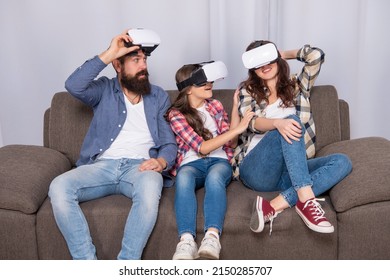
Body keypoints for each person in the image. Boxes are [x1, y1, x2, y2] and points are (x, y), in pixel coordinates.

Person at [48, 29, 177, 259]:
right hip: (101, 166)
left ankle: (126, 265)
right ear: (118, 66)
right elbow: (73, 85)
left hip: (139, 167)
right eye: (135, 60)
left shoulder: (158, 96)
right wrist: (110, 53)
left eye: (144, 60)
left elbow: (169, 142)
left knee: (150, 188)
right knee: (58, 187)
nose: (143, 66)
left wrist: (161, 160)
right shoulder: (103, 90)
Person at [232, 40, 352, 234]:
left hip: (290, 172)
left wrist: (283, 53)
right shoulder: (248, 91)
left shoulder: (297, 86)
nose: (265, 66)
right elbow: (252, 122)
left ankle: (273, 205)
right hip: (256, 170)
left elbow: (316, 56)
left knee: (342, 162)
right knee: (290, 120)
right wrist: (277, 123)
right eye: (258, 62)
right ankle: (306, 200)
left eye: (268, 59)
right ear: (252, 68)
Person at [166, 61, 254, 260]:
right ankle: (186, 241)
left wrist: (235, 107)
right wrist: (239, 129)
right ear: (187, 89)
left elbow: (230, 143)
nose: (209, 84)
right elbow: (202, 147)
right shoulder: (176, 114)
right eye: (201, 82)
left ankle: (212, 237)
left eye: (209, 80)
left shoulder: (215, 105)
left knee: (215, 179)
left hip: (219, 161)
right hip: (191, 163)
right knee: (183, 179)